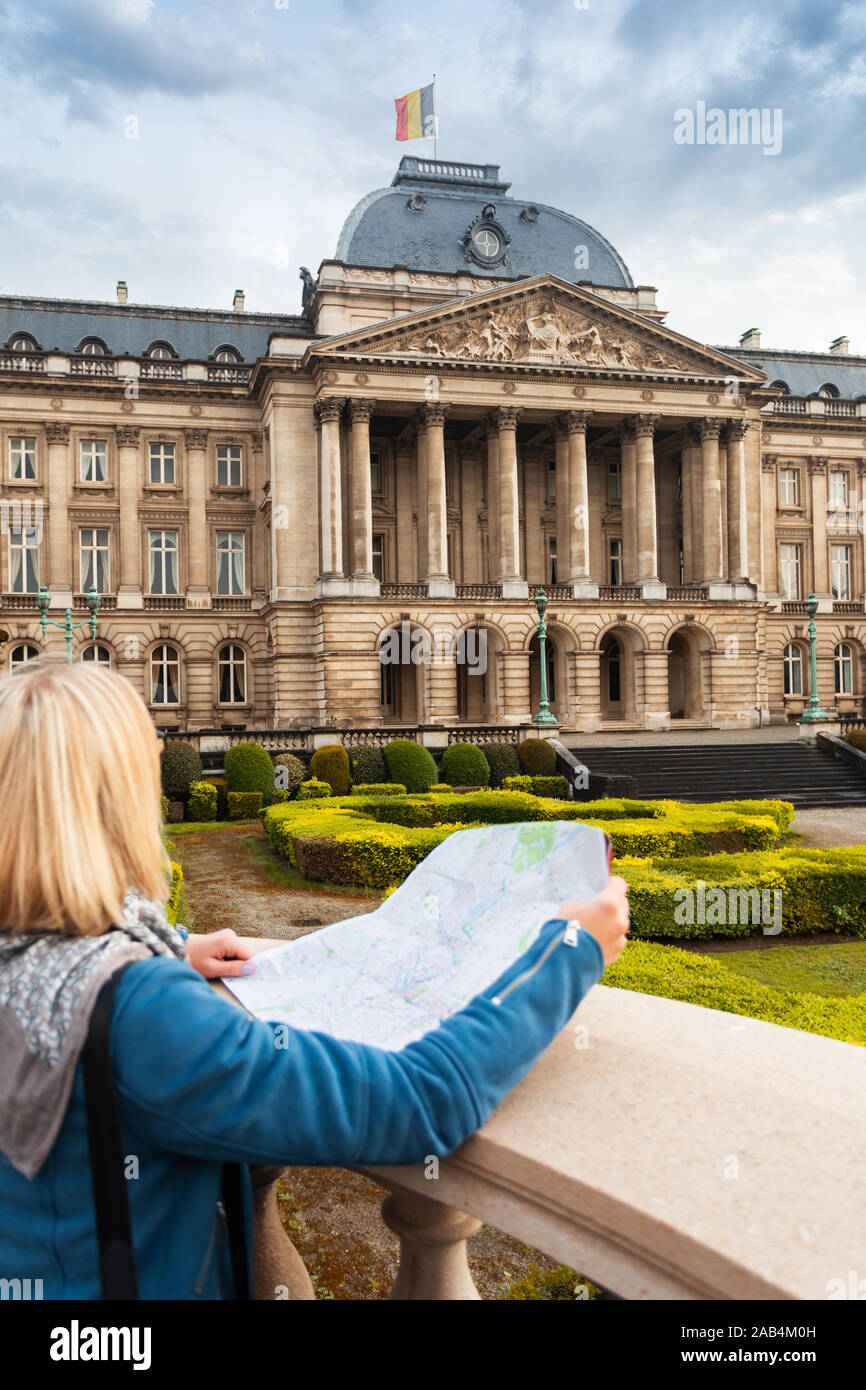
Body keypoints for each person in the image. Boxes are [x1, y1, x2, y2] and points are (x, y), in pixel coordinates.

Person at [0, 664, 629, 1299]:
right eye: (149, 760)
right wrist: (572, 950)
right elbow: (421, 1103)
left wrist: (166, 947)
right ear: (118, 802)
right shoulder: (140, 1014)